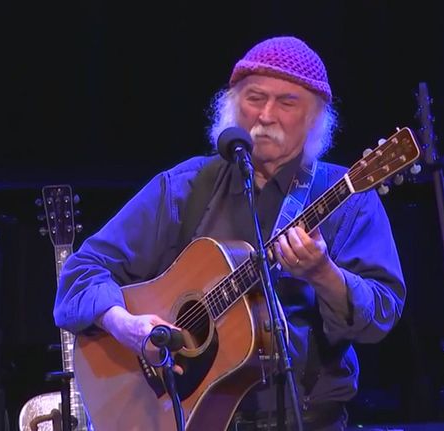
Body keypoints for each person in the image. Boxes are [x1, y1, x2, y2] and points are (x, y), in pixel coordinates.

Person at [54, 35, 406, 431]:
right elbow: (81, 272)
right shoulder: (184, 187)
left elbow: (381, 315)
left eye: (287, 102)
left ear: (314, 118)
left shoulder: (349, 200)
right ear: (232, 104)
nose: (266, 115)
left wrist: (324, 274)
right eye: (255, 98)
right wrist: (124, 325)